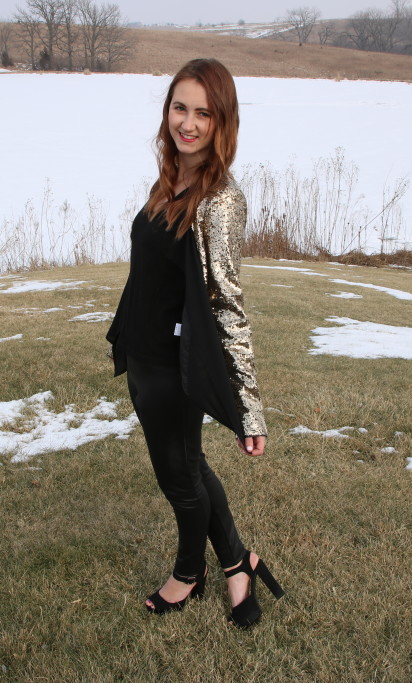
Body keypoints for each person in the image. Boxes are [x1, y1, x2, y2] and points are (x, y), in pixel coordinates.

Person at [106, 58, 284, 629]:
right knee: (188, 463)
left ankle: (191, 572)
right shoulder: (170, 177)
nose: (188, 122)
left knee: (178, 478)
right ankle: (239, 563)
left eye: (202, 112)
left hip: (173, 364)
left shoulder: (220, 200)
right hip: (143, 351)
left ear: (221, 121)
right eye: (179, 107)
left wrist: (249, 410)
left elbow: (228, 304)